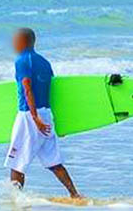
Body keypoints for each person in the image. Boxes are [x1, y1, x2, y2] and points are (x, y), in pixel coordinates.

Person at [6, 27, 82, 199]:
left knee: (17, 162)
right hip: (46, 114)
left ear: (22, 41)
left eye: (14, 40)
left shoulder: (21, 61)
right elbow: (53, 93)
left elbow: (27, 88)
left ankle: (15, 201)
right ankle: (75, 195)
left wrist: (34, 117)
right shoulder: (45, 63)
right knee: (54, 161)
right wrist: (59, 124)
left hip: (29, 116)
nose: (12, 44)